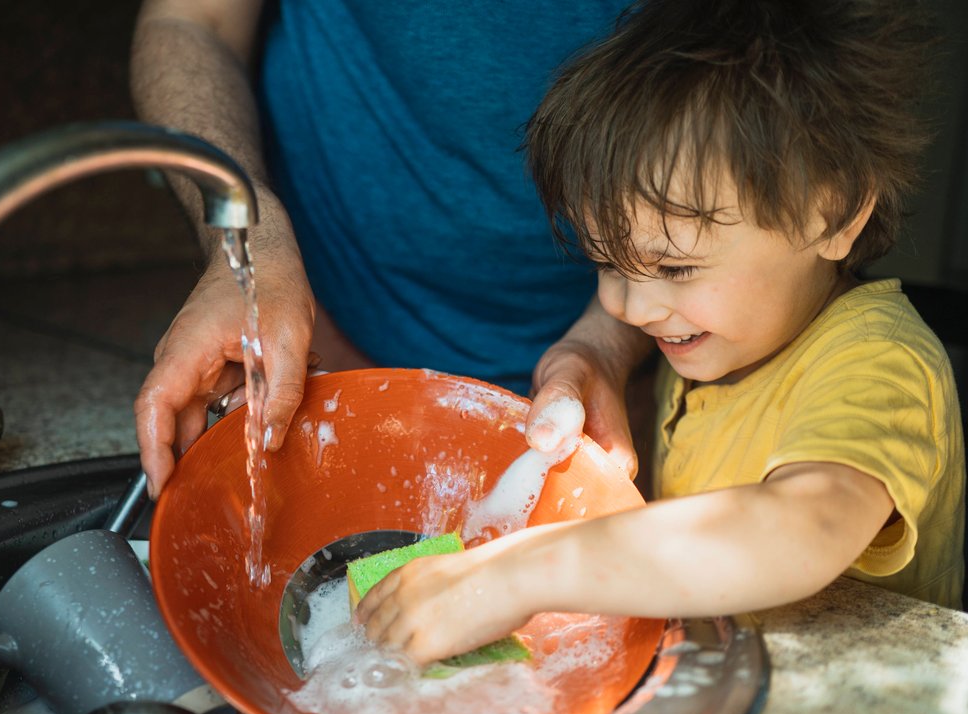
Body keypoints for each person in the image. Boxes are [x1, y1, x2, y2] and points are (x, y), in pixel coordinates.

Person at [356, 0, 965, 665]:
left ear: (836, 213)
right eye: (606, 262)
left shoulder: (881, 365)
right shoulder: (725, 328)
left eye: (674, 266)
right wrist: (591, 351)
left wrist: (519, 574)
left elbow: (803, 526)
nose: (634, 307)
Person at [129, 0, 657, 499]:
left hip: (630, 350)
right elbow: (196, 20)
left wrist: (611, 343)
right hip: (321, 326)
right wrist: (244, 248)